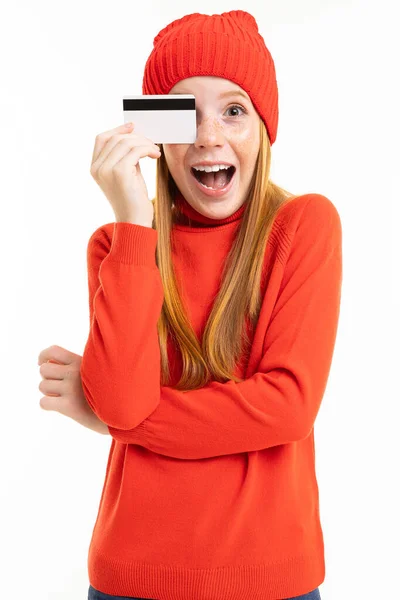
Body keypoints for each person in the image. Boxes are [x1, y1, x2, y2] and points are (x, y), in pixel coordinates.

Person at [40, 9, 342, 600]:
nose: (208, 137)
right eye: (184, 115)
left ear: (262, 127)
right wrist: (132, 219)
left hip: (271, 579)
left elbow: (287, 407)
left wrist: (114, 417)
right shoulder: (115, 246)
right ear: (153, 132)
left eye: (234, 110)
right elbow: (126, 395)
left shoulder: (303, 226)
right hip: (132, 576)